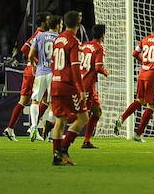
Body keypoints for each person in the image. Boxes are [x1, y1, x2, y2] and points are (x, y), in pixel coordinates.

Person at [114, 16, 154, 142]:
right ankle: (138, 134)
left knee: (139, 100)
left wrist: (146, 61)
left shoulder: (145, 39)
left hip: (142, 73)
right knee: (152, 105)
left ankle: (122, 117)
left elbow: (134, 54)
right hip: (153, 75)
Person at [49, 10, 89, 166]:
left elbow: (53, 63)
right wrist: (80, 89)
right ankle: (63, 149)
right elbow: (75, 68)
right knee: (83, 117)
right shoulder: (74, 42)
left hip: (55, 83)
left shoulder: (58, 40)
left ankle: (56, 157)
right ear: (78, 24)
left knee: (60, 121)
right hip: (67, 85)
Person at [3, 12, 48, 141]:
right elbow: (24, 48)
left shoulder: (39, 34)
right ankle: (32, 127)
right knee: (43, 100)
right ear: (44, 22)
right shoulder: (39, 35)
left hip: (31, 70)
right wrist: (35, 60)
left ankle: (11, 128)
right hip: (35, 70)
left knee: (34, 101)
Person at [28, 13, 62, 141]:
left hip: (41, 71)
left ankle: (33, 128)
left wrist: (33, 65)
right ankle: (48, 134)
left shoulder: (40, 36)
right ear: (58, 26)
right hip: (54, 74)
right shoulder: (60, 38)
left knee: (35, 101)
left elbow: (31, 55)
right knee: (53, 104)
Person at [79, 24, 109, 149]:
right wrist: (105, 72)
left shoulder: (84, 45)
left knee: (97, 111)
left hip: (83, 80)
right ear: (103, 35)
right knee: (80, 115)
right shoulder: (99, 48)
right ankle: (52, 124)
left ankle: (86, 141)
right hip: (88, 84)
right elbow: (97, 67)